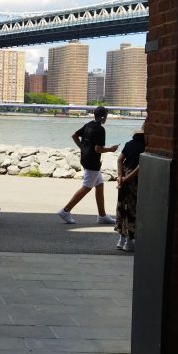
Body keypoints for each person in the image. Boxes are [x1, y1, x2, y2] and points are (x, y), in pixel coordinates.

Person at [57, 105, 118, 225]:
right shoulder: (100, 130)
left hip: (85, 159)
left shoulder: (88, 124)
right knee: (86, 187)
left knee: (99, 185)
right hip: (92, 162)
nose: (106, 118)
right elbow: (98, 149)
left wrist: (82, 148)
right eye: (105, 116)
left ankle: (102, 215)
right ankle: (65, 210)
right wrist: (111, 149)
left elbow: (74, 135)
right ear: (102, 117)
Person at [115, 122, 145, 252]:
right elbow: (140, 166)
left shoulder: (129, 144)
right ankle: (129, 241)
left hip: (124, 177)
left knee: (122, 207)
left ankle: (121, 240)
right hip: (135, 180)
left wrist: (120, 177)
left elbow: (119, 160)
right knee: (133, 209)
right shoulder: (146, 147)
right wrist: (127, 178)